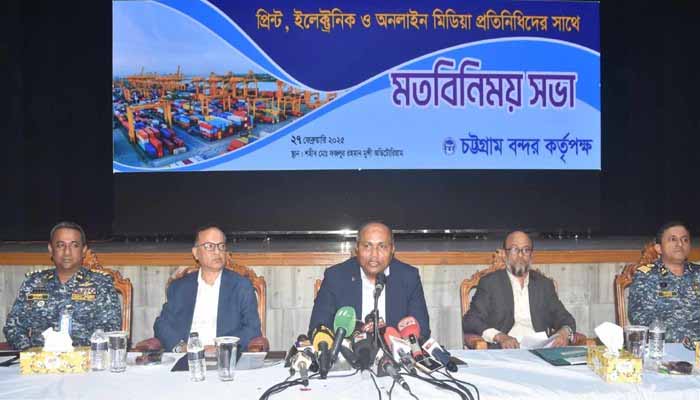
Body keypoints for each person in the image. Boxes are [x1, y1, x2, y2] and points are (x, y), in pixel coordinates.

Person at [3, 222, 121, 350]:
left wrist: (87, 355)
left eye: (74, 245)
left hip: (86, 358)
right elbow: (13, 327)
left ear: (83, 251)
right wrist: (29, 351)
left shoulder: (101, 284)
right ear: (51, 250)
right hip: (40, 358)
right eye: (60, 245)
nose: (67, 252)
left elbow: (111, 330)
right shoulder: (34, 283)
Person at [309, 221, 431, 337]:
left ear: (392, 249)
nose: (374, 255)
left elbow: (422, 330)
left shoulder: (408, 277)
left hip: (394, 350)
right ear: (357, 248)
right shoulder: (335, 277)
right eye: (367, 246)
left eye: (382, 246)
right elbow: (318, 328)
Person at [153, 225, 261, 352]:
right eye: (210, 246)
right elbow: (161, 325)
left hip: (223, 357)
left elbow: (252, 328)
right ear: (196, 253)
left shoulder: (241, 286)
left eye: (221, 246)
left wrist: (221, 347)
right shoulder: (180, 287)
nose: (217, 252)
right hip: (187, 356)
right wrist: (181, 347)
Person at [462, 231, 576, 349]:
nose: (520, 255)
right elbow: (471, 320)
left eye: (526, 250)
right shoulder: (490, 283)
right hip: (505, 350)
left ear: (531, 255)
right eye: (514, 249)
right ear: (504, 254)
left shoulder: (544, 285)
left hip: (541, 350)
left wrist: (564, 333)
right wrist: (500, 336)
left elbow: (566, 319)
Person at [628, 221, 700, 342]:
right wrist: (682, 337)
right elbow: (640, 317)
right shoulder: (646, 276)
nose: (680, 244)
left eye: (685, 240)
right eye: (673, 239)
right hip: (665, 345)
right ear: (659, 248)